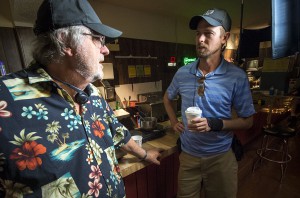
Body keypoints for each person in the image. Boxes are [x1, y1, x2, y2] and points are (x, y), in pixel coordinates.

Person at [0, 0, 162, 197]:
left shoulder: (92, 93)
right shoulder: (5, 98)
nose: (105, 50)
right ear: (67, 43)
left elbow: (118, 133)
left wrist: (145, 154)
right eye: (97, 39)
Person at [163, 8, 255, 198]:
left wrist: (215, 124)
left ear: (224, 38)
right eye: (198, 33)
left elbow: (248, 121)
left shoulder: (236, 76)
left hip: (221, 158)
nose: (200, 39)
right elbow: (167, 98)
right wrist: (173, 122)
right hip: (188, 157)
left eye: (208, 33)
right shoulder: (182, 73)